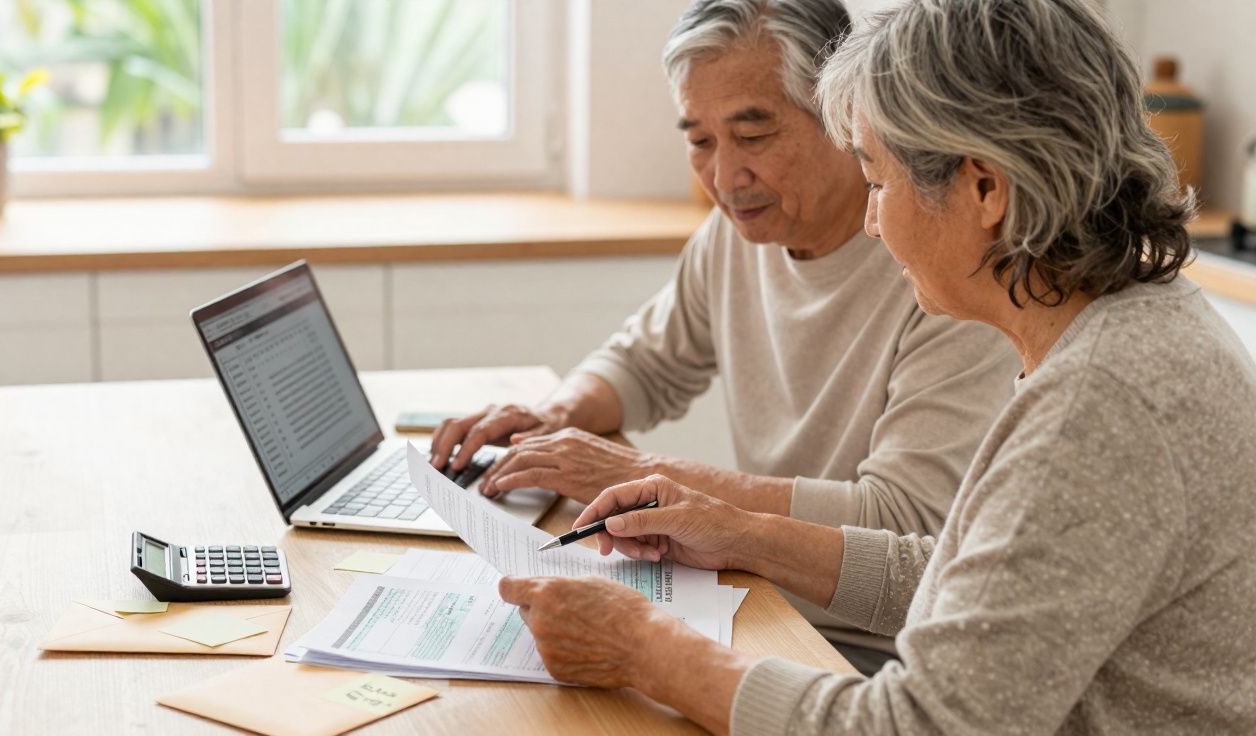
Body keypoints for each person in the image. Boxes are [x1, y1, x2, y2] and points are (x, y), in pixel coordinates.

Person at [498, 0, 1256, 732]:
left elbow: (913, 727)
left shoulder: (1097, 403)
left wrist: (642, 645)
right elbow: (959, 580)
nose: (870, 217)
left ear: (984, 188)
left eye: (880, 180)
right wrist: (740, 533)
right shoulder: (1121, 328)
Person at [430, 0, 1017, 674]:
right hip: (767, 602)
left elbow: (904, 522)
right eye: (700, 141)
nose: (724, 178)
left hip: (876, 651)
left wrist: (646, 475)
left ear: (841, 115)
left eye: (754, 134)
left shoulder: (941, 266)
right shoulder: (741, 234)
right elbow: (647, 361)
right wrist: (555, 420)